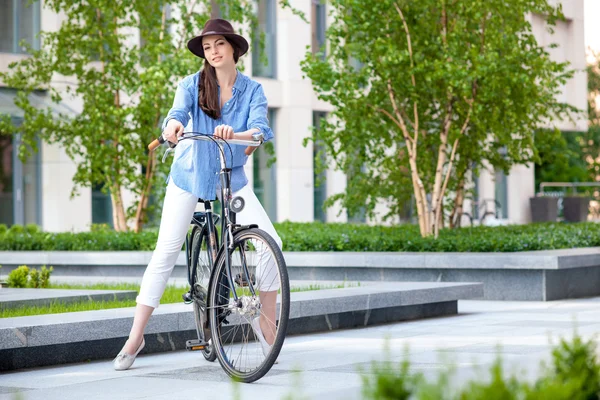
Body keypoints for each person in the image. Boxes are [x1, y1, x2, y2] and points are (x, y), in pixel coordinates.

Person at [113, 18, 282, 371]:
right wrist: (173, 127)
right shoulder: (191, 85)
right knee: (166, 251)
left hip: (231, 178)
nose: (213, 51)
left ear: (234, 48)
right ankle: (136, 336)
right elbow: (176, 115)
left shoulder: (252, 91)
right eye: (207, 47)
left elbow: (260, 130)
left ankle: (266, 323)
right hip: (189, 176)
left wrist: (238, 135)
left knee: (272, 244)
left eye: (219, 44)